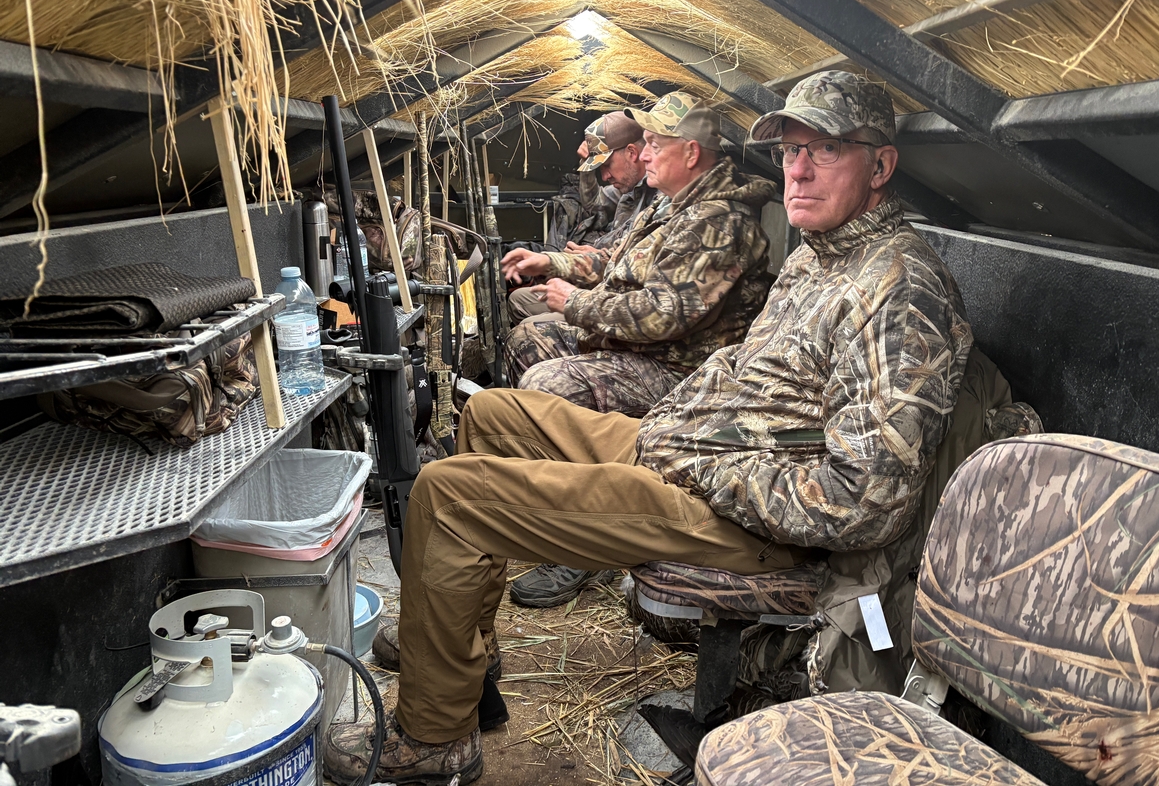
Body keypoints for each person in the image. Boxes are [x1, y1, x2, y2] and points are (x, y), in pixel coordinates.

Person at [323, 71, 974, 786]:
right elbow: (742, 373)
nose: (798, 170)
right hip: (692, 450)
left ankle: (434, 735)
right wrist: (675, 428)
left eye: (825, 150)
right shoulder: (819, 257)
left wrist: (700, 464)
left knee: (446, 497)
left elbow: (863, 501)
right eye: (792, 150)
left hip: (750, 520)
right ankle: (460, 659)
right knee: (492, 414)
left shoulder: (899, 291)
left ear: (880, 166)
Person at [500, 92, 775, 418]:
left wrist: (575, 302)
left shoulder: (719, 223)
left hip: (679, 369)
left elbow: (662, 314)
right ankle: (563, 438)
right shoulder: (670, 203)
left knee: (543, 384)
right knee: (525, 340)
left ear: (691, 153)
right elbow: (618, 260)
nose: (643, 156)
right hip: (641, 346)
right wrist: (551, 262)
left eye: (654, 146)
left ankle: (600, 447)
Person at [508, 112, 652, 323]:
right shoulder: (629, 190)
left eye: (607, 165)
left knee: (530, 326)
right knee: (518, 299)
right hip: (603, 281)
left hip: (620, 296)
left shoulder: (660, 197)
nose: (605, 176)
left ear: (632, 153)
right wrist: (587, 168)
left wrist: (597, 257)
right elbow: (595, 205)